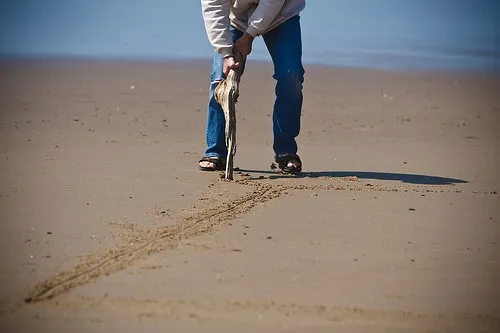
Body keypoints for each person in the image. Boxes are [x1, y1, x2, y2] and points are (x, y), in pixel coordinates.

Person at [199, 0, 306, 174]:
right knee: (220, 80)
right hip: (237, 17)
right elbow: (213, 7)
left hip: (281, 14)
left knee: (291, 77)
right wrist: (225, 52)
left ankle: (286, 151)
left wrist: (248, 37)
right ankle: (215, 152)